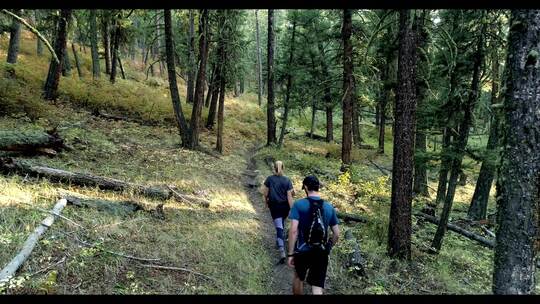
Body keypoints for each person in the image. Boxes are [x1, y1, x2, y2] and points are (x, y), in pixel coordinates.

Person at [287, 175, 340, 295]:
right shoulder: (329, 207)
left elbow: (293, 231)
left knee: (298, 278)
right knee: (317, 286)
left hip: (302, 250)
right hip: (321, 252)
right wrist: (328, 247)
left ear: (305, 187)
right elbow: (336, 233)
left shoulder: (299, 205)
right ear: (318, 187)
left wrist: (290, 253)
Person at [262, 160, 294, 263]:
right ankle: (279, 240)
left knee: (279, 226)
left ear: (274, 168)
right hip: (285, 207)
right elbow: (290, 196)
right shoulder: (287, 180)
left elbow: (265, 193)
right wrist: (292, 209)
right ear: (283, 168)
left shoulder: (269, 179)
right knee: (281, 223)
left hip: (274, 207)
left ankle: (281, 250)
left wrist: (266, 203)